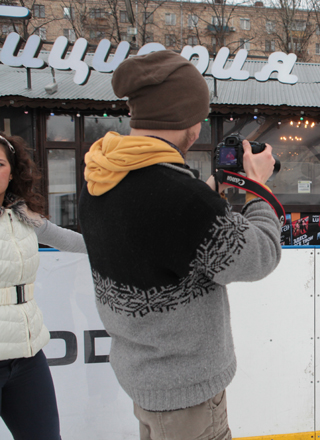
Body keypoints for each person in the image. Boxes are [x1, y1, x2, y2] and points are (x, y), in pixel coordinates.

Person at [77, 50, 282, 440]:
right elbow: (259, 255)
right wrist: (258, 188)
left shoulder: (100, 178)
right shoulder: (180, 199)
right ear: (187, 119)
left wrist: (211, 192)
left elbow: (164, 234)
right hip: (186, 394)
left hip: (145, 379)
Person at [0, 133, 87, 440]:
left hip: (27, 355)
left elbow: (69, 240)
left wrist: (115, 245)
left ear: (12, 171)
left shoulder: (22, 216)